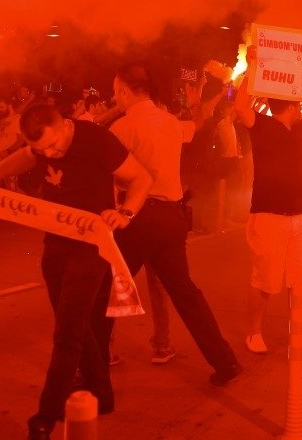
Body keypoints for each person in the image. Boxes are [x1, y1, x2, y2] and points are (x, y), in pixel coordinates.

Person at [0, 104, 151, 440]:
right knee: (76, 326)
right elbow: (27, 157)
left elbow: (141, 178)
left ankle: (45, 417)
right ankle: (102, 393)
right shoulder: (41, 148)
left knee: (66, 335)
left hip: (91, 247)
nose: (50, 154)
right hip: (55, 245)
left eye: (54, 146)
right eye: (43, 150)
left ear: (66, 125)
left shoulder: (97, 140)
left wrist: (124, 212)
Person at [105, 64, 242, 379]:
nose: (115, 98)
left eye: (116, 93)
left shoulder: (122, 129)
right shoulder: (169, 123)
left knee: (107, 287)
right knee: (186, 294)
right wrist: (197, 101)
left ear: (126, 92)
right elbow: (195, 124)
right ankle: (225, 362)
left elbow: (110, 176)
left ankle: (96, 371)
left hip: (137, 218)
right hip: (171, 217)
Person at [233, 47, 302, 356]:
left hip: (299, 216)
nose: (301, 107)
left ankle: (297, 338)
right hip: (267, 215)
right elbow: (241, 105)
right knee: (266, 280)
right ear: (292, 105)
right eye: (298, 103)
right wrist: (251, 66)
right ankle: (254, 332)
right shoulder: (261, 126)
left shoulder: (299, 129)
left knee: (301, 281)